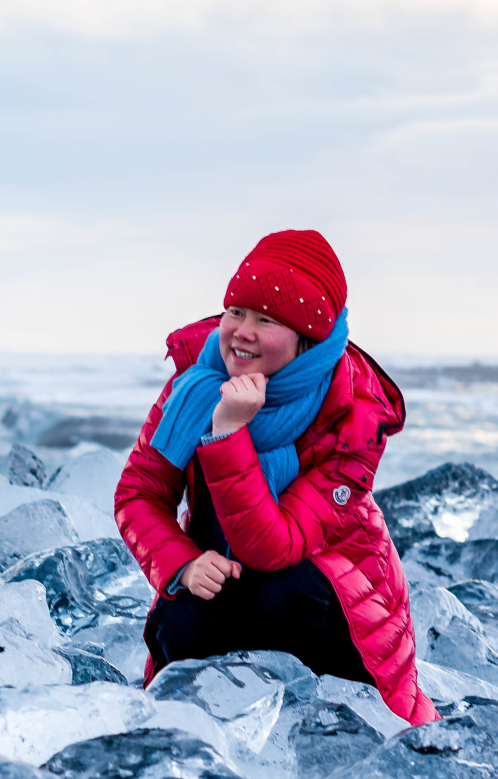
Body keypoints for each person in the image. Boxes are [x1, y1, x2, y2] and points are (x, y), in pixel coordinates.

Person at [113, 228, 437, 726]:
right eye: (236, 311)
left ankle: (310, 733)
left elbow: (273, 546)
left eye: (267, 320)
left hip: (332, 606)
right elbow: (139, 493)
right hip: (229, 568)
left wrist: (227, 434)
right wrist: (182, 564)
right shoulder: (196, 385)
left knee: (282, 593)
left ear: (306, 338)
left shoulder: (352, 418)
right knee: (184, 611)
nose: (242, 330)